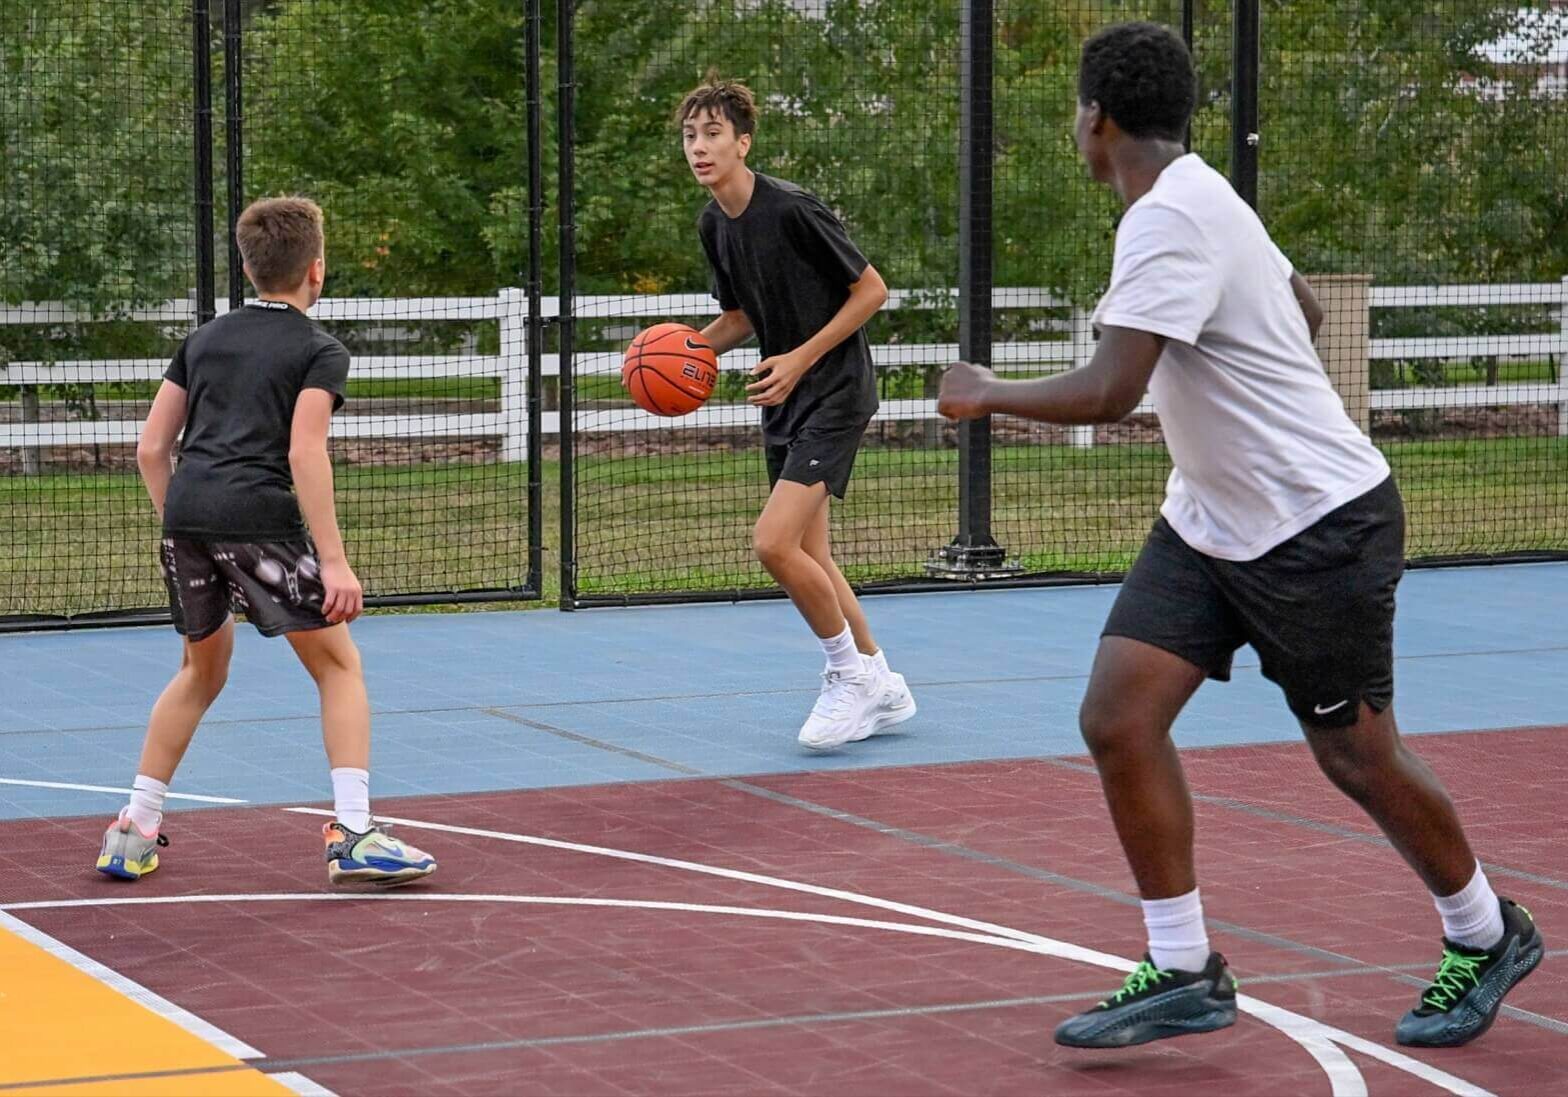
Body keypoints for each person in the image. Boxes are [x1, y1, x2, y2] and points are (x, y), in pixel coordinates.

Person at [938, 21, 1541, 1050]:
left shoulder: (1169, 219)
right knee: (1117, 717)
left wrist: (985, 391)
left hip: (1316, 526)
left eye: (1074, 114)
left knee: (1355, 754)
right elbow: (1299, 310)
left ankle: (1484, 932)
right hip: (1211, 520)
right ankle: (1182, 966)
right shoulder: (1204, 195)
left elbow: (1112, 387)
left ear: (1094, 118)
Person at [96, 196, 437, 887]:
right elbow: (305, 453)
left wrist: (186, 522)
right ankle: (355, 830)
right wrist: (334, 562)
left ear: (249, 268)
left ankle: (131, 827)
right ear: (317, 269)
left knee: (201, 671)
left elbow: (150, 447)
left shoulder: (204, 339)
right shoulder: (319, 349)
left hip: (187, 515)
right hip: (256, 519)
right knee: (338, 665)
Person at [671, 75, 916, 750]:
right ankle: (882, 680)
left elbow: (871, 291)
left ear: (743, 142)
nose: (699, 146)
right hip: (787, 393)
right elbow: (743, 315)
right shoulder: (713, 223)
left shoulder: (792, 209)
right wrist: (683, 349)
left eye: (713, 133)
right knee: (813, 552)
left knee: (773, 543)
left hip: (834, 389)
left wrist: (801, 358)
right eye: (691, 135)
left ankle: (847, 674)